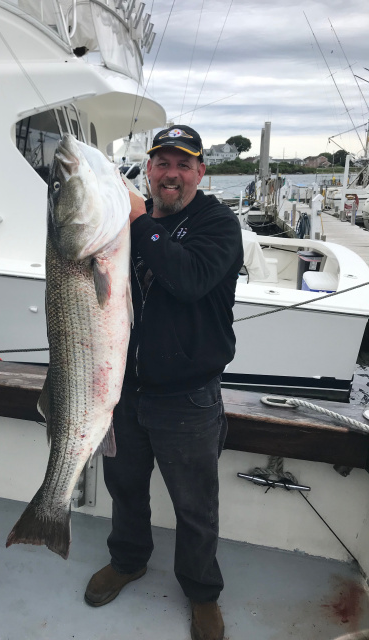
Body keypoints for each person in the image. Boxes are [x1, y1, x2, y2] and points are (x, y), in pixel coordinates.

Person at [84, 125, 244, 640]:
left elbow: (190, 279)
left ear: (201, 172)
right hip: (125, 392)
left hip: (188, 398)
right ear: (148, 170)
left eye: (183, 164)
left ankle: (201, 593)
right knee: (124, 487)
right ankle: (128, 560)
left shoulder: (218, 224)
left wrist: (137, 219)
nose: (170, 174)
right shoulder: (127, 226)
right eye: (161, 163)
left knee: (195, 505)